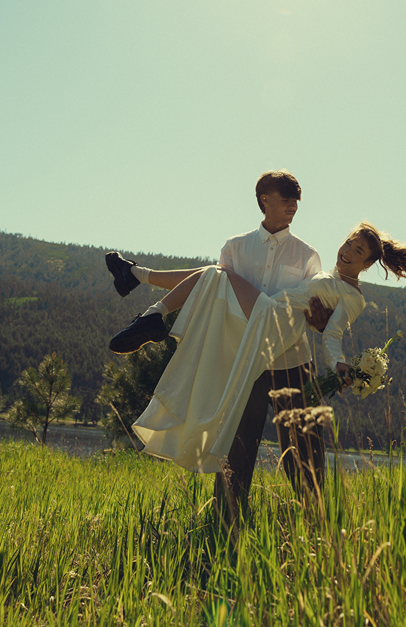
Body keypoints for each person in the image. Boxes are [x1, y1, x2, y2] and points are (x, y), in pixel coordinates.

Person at [108, 217, 406, 516]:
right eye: (349, 243)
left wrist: (338, 363)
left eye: (358, 252)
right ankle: (139, 285)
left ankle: (146, 298)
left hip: (272, 319)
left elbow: (333, 333)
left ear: (368, 263)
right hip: (270, 320)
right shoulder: (327, 273)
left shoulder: (354, 297)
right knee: (213, 279)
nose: (348, 252)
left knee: (216, 274)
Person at [106, 170, 334, 516]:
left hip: (291, 361)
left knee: (305, 449)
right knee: (237, 449)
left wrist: (322, 321)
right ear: (264, 201)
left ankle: (320, 520)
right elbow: (210, 294)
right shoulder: (235, 247)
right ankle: (226, 523)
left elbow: (315, 315)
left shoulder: (308, 256)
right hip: (241, 360)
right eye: (285, 199)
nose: (292, 206)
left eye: (296, 201)